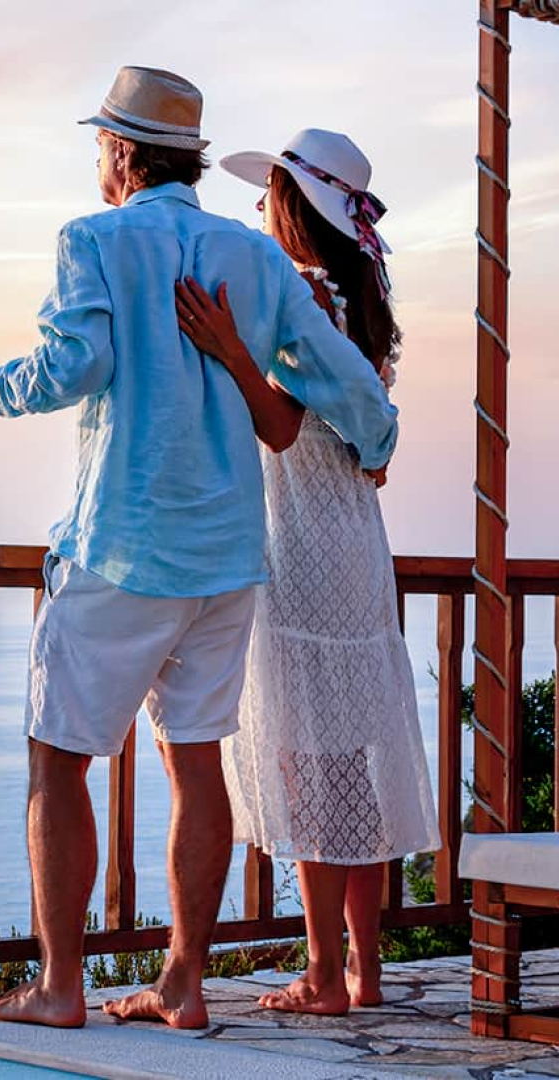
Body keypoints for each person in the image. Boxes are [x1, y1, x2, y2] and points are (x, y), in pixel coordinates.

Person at [0, 67, 398, 1031]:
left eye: (99, 146)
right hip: (230, 556)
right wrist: (380, 443)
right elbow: (347, 380)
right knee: (196, 763)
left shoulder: (95, 241)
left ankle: (61, 987)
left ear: (119, 152)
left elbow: (78, 366)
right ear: (185, 158)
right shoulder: (255, 257)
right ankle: (183, 984)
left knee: (59, 758)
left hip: (122, 543)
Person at [174, 128, 441, 1015]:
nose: (257, 212)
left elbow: (281, 426)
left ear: (293, 207)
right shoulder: (362, 301)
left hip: (298, 539)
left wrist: (231, 352)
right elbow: (371, 447)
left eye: (267, 198)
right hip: (358, 540)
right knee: (355, 755)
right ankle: (362, 968)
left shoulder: (300, 301)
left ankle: (324, 975)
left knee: (309, 760)